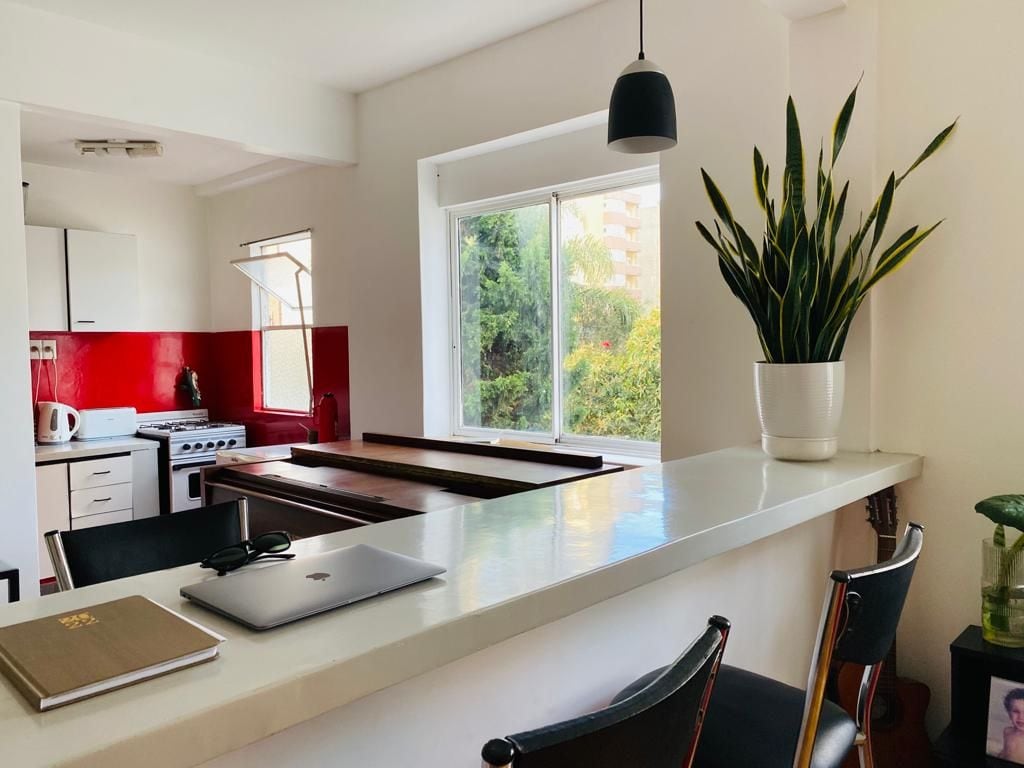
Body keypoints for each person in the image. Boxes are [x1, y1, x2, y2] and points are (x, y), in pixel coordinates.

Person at [1000, 688, 1024, 762]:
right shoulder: (1007, 731)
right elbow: (1005, 751)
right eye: (1016, 711)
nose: (1021, 717)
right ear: (1009, 714)